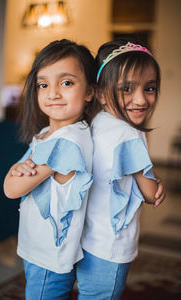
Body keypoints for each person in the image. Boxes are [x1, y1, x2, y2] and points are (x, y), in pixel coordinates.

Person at [3, 39, 96, 300]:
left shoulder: (66, 143)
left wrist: (15, 170)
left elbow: (11, 188)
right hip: (39, 247)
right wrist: (16, 169)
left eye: (66, 82)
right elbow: (15, 176)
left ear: (90, 90)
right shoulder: (46, 134)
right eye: (43, 84)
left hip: (49, 254)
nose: (53, 93)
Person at [76, 39, 166, 300]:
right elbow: (150, 194)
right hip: (111, 247)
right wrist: (156, 182)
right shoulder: (130, 133)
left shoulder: (94, 122)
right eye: (127, 88)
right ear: (101, 93)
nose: (140, 99)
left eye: (149, 88)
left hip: (84, 239)